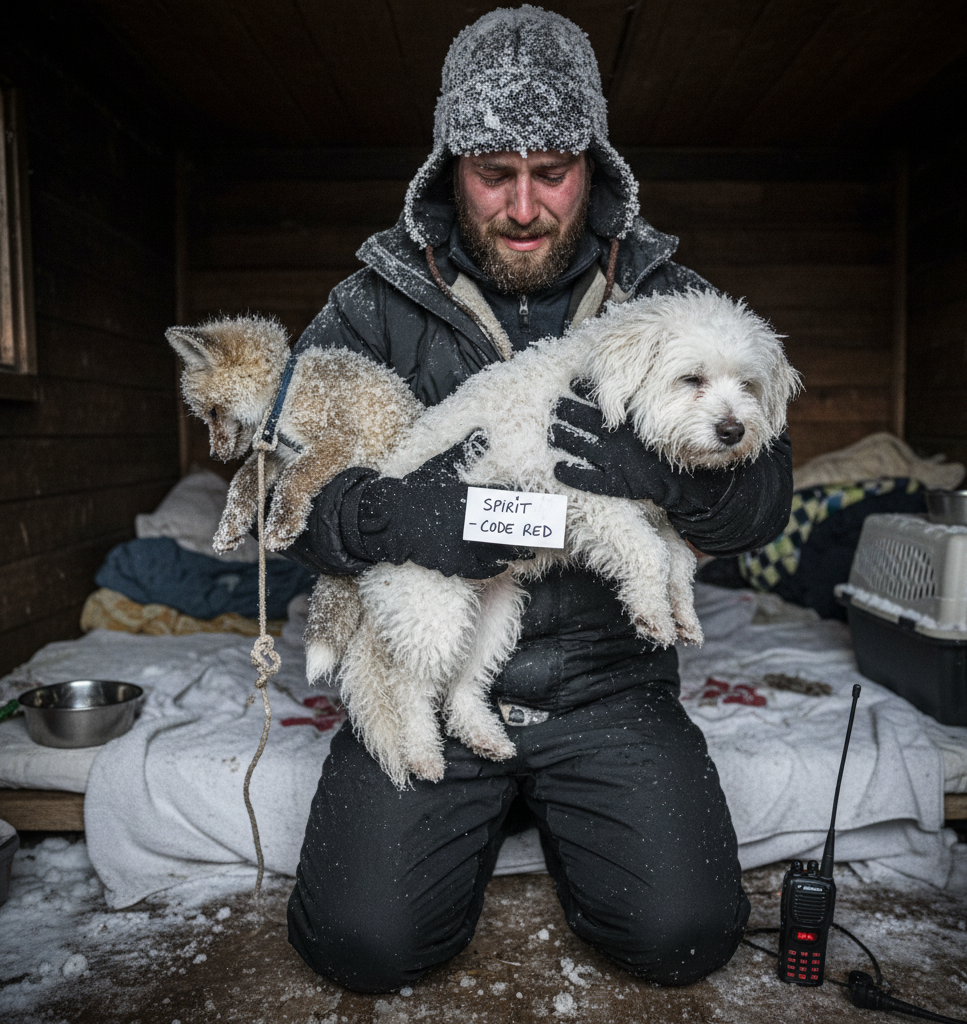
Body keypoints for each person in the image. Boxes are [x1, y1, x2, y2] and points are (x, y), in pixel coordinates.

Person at [284, 6, 792, 992]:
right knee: (361, 945)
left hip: (608, 683)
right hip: (430, 661)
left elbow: (764, 500)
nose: (523, 205)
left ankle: (565, 804)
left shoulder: (668, 295)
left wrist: (669, 471)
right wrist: (389, 516)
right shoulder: (371, 304)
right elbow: (282, 487)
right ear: (448, 170)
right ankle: (477, 799)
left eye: (551, 170)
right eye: (493, 172)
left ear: (594, 167)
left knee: (685, 936)